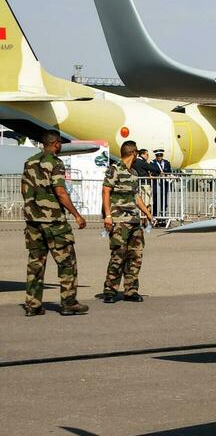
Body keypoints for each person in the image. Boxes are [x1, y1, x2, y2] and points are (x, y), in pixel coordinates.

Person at [20, 131, 89, 316]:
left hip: (33, 220)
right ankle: (68, 303)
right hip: (54, 222)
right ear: (56, 144)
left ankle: (32, 305)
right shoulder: (55, 162)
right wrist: (76, 215)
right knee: (67, 262)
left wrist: (31, 207)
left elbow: (24, 188)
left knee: (35, 263)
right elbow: (60, 192)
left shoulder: (30, 161)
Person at [101, 141, 155, 303]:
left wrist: (147, 213)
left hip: (133, 221)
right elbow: (105, 191)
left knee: (135, 255)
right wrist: (108, 216)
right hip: (118, 221)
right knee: (118, 255)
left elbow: (136, 196)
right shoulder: (114, 169)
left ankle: (131, 290)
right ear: (134, 153)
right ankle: (110, 290)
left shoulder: (132, 173)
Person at [151, 148, 173, 225]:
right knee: (156, 201)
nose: (159, 157)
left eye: (160, 155)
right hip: (156, 184)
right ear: (156, 156)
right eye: (158, 155)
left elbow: (169, 171)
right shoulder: (152, 163)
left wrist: (165, 173)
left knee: (164, 201)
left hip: (164, 184)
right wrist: (159, 174)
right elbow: (152, 172)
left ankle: (163, 217)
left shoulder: (166, 162)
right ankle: (156, 217)